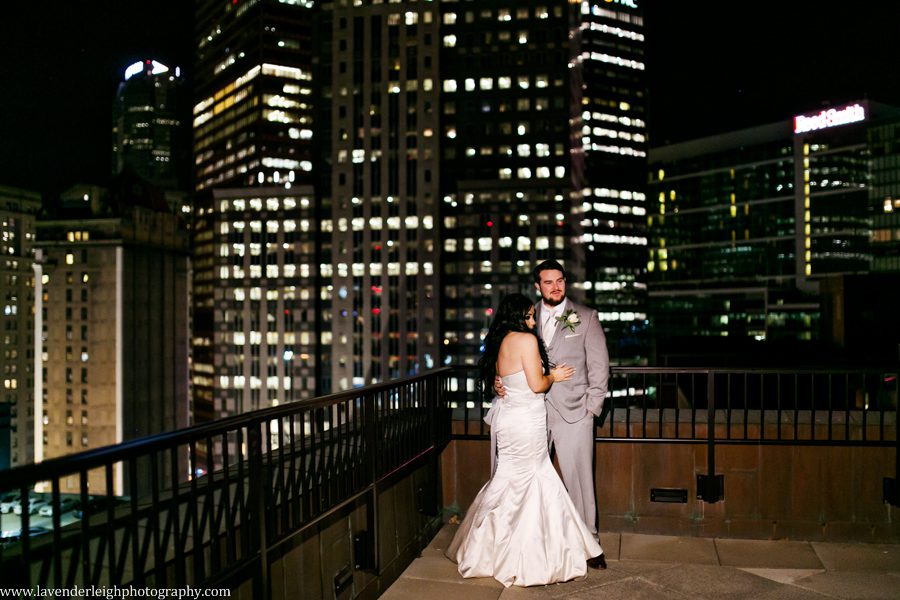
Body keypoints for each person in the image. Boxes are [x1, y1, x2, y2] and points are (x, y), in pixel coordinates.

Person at [445, 293, 602, 587]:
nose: (533, 321)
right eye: (529, 316)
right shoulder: (526, 340)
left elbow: (506, 378)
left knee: (507, 478)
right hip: (527, 421)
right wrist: (553, 375)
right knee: (536, 476)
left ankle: (488, 549)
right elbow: (537, 385)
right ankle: (534, 555)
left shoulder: (501, 340)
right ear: (517, 316)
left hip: (509, 421)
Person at [496, 259, 610, 569]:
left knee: (580, 482)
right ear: (538, 286)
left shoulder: (585, 317)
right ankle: (532, 544)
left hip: (575, 413)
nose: (555, 286)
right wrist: (501, 381)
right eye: (548, 282)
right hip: (531, 414)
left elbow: (600, 367)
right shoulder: (524, 317)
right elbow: (506, 355)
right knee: (529, 479)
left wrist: (591, 409)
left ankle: (590, 544)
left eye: (560, 280)